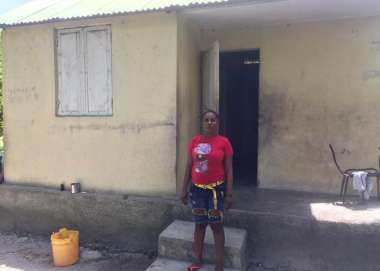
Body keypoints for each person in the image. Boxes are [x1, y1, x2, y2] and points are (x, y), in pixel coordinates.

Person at [180, 109, 234, 271]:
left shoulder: (224, 142)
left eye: (213, 120)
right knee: (200, 225)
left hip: (216, 191)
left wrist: (229, 194)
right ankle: (197, 261)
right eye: (207, 120)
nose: (210, 122)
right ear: (202, 123)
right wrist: (184, 189)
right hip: (197, 191)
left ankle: (219, 265)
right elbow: (189, 165)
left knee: (216, 225)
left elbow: (229, 169)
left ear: (217, 123)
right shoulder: (195, 141)